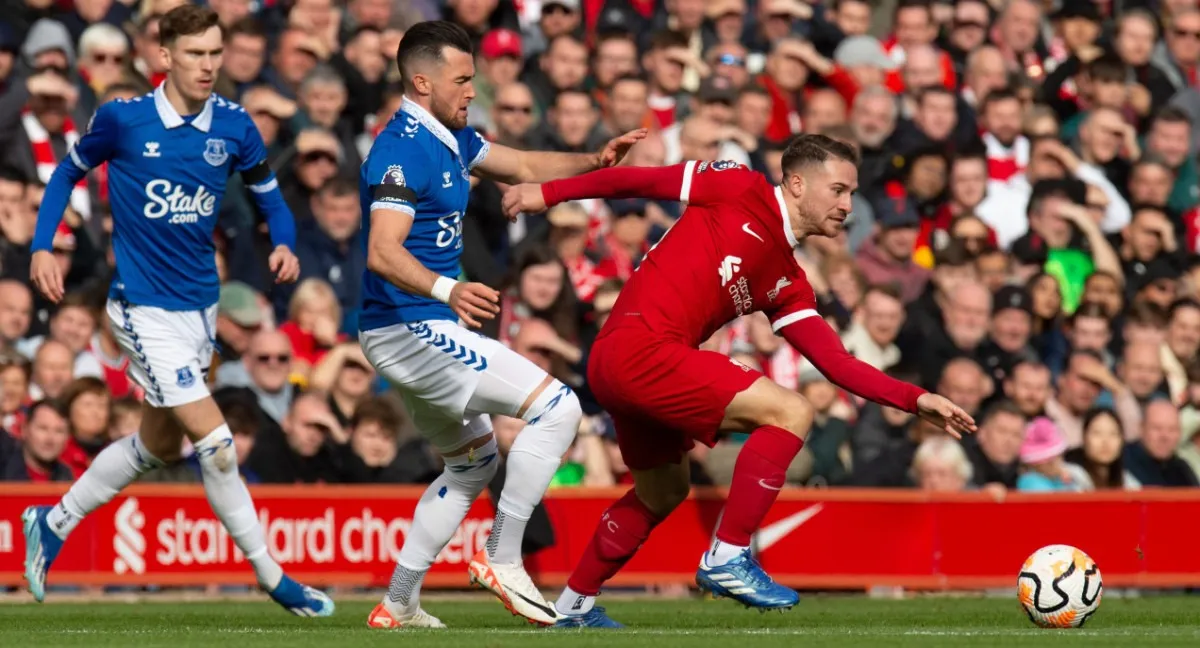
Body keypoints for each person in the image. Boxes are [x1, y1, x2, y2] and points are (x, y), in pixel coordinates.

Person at [501, 134, 976, 627]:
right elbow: (637, 179)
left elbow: (838, 364)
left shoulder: (788, 281)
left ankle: (572, 606)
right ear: (796, 183)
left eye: (852, 194)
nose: (847, 205)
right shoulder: (736, 185)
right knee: (792, 411)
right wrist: (548, 192)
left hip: (628, 363)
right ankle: (727, 555)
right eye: (837, 190)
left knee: (662, 491)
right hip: (638, 348)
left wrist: (915, 398)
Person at [20, 6, 332, 617]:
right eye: (195, 54)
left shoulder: (237, 127)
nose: (209, 65)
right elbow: (65, 174)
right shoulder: (123, 120)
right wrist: (40, 246)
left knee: (155, 446)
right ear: (164, 57)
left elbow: (273, 200)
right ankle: (274, 578)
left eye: (215, 53)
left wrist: (287, 242)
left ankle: (51, 522)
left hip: (200, 312)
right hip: (139, 308)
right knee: (216, 443)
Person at [357, 21, 645, 629]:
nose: (471, 90)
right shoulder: (400, 147)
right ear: (421, 80)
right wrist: (449, 288)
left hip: (415, 325)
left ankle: (400, 599)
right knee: (560, 409)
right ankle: (503, 557)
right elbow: (382, 251)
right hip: (409, 323)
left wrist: (590, 162)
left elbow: (519, 162)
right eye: (461, 79)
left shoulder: (450, 135)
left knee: (472, 464)